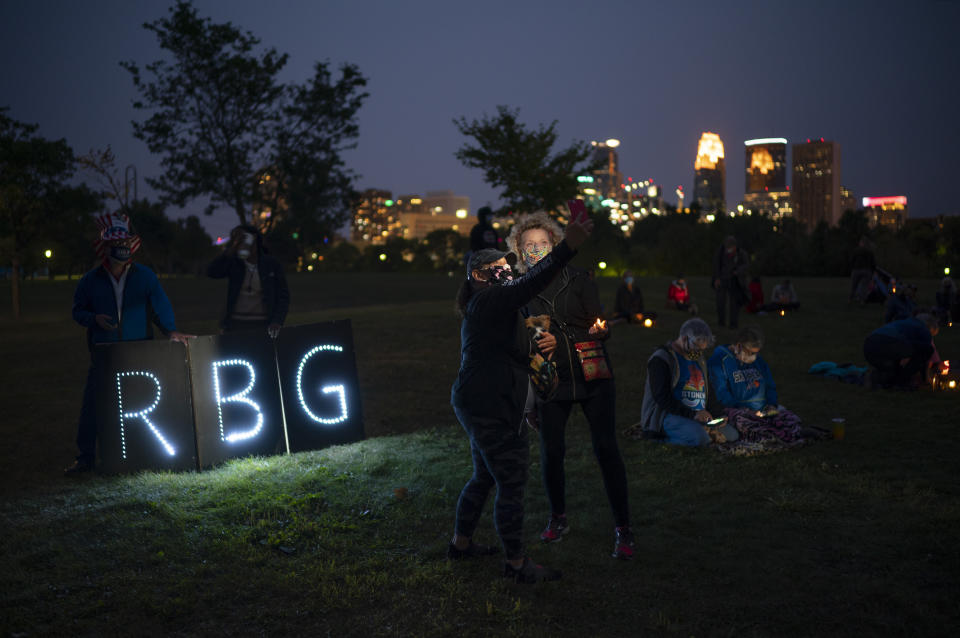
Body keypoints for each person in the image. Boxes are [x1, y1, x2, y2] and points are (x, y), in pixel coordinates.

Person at [450, 208, 594, 583]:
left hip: (488, 400)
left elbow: (517, 355)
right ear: (479, 278)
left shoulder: (501, 308)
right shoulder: (487, 301)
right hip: (490, 406)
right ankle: (516, 565)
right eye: (498, 268)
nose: (507, 271)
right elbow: (531, 283)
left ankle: (460, 544)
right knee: (510, 481)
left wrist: (532, 384)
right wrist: (566, 249)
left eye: (507, 266)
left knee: (484, 476)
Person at [506, 211, 634, 560]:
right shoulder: (519, 292)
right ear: (518, 248)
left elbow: (598, 324)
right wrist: (530, 399)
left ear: (556, 244)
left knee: (606, 449)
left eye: (543, 243)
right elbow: (521, 347)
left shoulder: (579, 278)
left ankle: (623, 528)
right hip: (550, 380)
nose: (536, 250)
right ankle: (558, 518)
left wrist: (600, 330)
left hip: (593, 374)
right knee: (552, 451)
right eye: (529, 245)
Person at [65, 212, 192, 474]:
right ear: (105, 247)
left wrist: (170, 331)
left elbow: (160, 306)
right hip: (105, 353)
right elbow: (77, 311)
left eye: (125, 243)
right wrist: (93, 319)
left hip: (139, 351)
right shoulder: (90, 280)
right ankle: (85, 458)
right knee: (93, 405)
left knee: (144, 402)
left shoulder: (145, 277)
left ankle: (149, 450)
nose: (121, 248)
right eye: (115, 245)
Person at [637, 318, 738, 446]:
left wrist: (719, 415)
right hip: (670, 415)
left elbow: (708, 391)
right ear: (685, 338)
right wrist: (693, 414)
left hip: (699, 417)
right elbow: (661, 396)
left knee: (732, 436)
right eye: (697, 348)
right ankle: (660, 439)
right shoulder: (662, 359)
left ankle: (700, 431)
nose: (699, 353)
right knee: (701, 438)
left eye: (702, 350)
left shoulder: (699, 360)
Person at [207, 224, 290, 338]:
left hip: (263, 323)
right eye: (237, 239)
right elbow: (212, 272)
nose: (242, 243)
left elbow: (283, 296)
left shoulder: (271, 264)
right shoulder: (234, 263)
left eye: (243, 238)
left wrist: (277, 321)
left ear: (254, 239)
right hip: (235, 324)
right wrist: (230, 250)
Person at [863, 313, 940, 390]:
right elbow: (926, 353)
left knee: (893, 372)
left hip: (869, 345)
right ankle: (903, 382)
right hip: (887, 344)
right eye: (932, 334)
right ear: (930, 326)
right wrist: (925, 378)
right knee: (928, 349)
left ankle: (878, 379)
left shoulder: (904, 323)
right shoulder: (924, 329)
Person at [712, 236, 750, 329]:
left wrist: (737, 271)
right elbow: (716, 265)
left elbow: (746, 265)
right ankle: (721, 322)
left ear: (734, 246)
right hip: (722, 279)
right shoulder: (721, 253)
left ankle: (733, 324)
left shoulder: (741, 254)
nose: (728, 249)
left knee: (734, 303)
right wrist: (717, 278)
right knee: (720, 301)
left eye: (730, 247)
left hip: (735, 281)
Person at [849, 237, 876, 304]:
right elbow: (873, 262)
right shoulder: (869, 251)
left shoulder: (856, 250)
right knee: (864, 287)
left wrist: (852, 268)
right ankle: (862, 300)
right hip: (866, 270)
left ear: (861, 243)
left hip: (856, 270)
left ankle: (850, 299)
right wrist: (873, 271)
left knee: (854, 286)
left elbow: (852, 260)